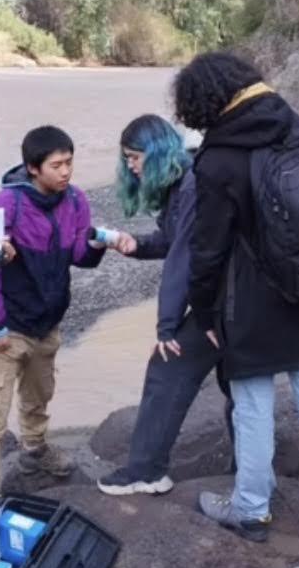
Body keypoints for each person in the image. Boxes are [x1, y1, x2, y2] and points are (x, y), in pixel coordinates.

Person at [175, 51, 299, 552]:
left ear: (203, 103)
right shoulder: (297, 125)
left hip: (249, 302)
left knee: (252, 409)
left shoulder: (217, 157)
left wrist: (205, 308)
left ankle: (251, 510)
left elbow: (208, 248)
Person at [0, 126, 105, 501]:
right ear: (32, 168)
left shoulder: (75, 201)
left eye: (69, 162)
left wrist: (95, 244)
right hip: (4, 326)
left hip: (46, 322)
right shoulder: (2, 206)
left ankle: (35, 451)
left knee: (40, 395)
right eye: (57, 165)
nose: (66, 172)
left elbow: (78, 255)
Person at [96, 114, 234, 496]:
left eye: (135, 157)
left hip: (228, 301)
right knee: (239, 382)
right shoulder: (183, 182)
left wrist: (166, 327)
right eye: (126, 158)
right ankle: (249, 472)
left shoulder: (191, 186)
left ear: (156, 152)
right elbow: (172, 241)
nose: (131, 166)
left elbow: (184, 259)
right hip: (233, 298)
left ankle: (146, 471)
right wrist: (135, 244)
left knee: (167, 365)